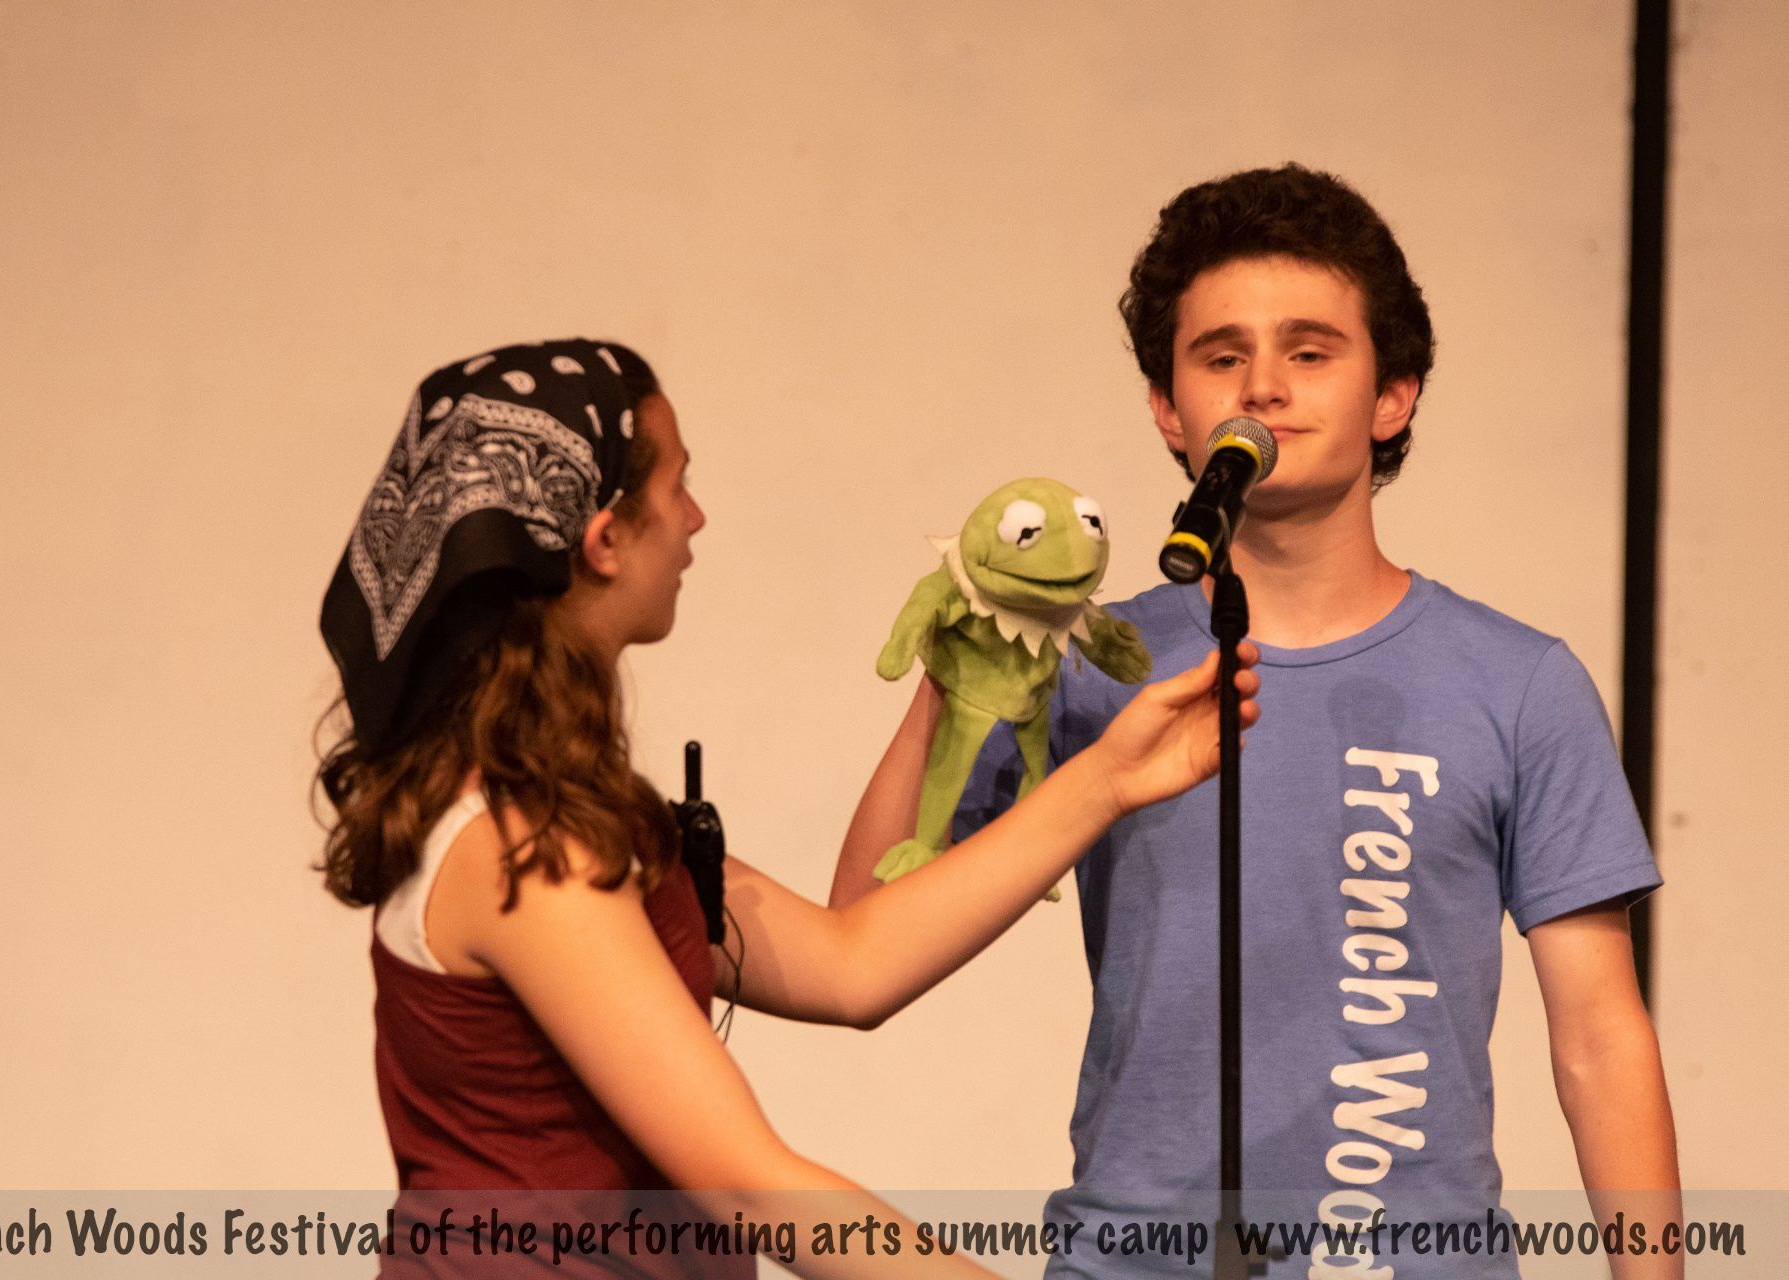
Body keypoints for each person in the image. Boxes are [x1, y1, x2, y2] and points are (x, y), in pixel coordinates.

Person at [832, 165, 1681, 1279]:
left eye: (1311, 352)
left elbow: (1601, 1039)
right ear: (1167, 406)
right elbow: (861, 930)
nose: (1264, 387)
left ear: (1394, 396)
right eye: (1221, 356)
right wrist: (953, 678)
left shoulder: (1517, 682)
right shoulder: (1095, 669)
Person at [314, 339, 1260, 1278]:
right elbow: (752, 1186)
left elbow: (850, 964)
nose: (695, 518)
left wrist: (1109, 779)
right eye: (677, 487)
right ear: (604, 540)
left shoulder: (579, 816)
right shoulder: (522, 848)